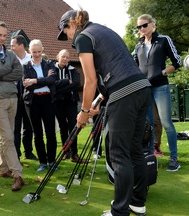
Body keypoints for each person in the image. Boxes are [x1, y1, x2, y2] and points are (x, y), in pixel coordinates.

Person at [57, 9, 151, 216]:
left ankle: (119, 211)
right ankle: (137, 202)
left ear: (71, 24)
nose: (68, 38)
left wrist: (83, 111)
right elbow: (114, 70)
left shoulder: (83, 36)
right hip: (142, 88)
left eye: (66, 33)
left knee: (118, 154)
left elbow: (89, 80)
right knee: (134, 149)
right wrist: (98, 101)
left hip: (125, 93)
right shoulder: (102, 30)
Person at [133, 14, 182, 171]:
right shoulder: (138, 46)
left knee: (166, 123)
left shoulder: (163, 40)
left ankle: (174, 159)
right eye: (139, 27)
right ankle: (150, 159)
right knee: (148, 125)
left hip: (161, 87)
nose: (141, 29)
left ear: (153, 24)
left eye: (144, 25)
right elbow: (133, 67)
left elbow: (177, 62)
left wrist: (162, 73)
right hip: (144, 88)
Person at [0, 21, 24, 191]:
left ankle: (3, 169)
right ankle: (18, 174)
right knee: (9, 137)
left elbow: (19, 72)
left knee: (7, 135)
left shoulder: (10, 54)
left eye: (4, 35)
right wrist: (6, 73)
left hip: (13, 98)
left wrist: (0, 76)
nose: (2, 38)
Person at [23, 39, 58, 172]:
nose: (37, 54)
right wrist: (43, 80)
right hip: (33, 102)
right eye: (34, 52)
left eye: (39, 51)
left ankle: (52, 161)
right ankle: (43, 162)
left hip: (48, 100)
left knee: (51, 133)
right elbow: (26, 83)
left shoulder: (49, 64)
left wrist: (34, 81)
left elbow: (52, 80)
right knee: (37, 133)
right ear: (29, 51)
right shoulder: (26, 66)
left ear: (42, 50)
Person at [10, 35, 38, 161]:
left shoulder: (31, 58)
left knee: (29, 126)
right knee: (15, 127)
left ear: (21, 45)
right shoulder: (10, 58)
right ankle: (16, 154)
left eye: (13, 45)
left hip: (29, 97)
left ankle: (29, 152)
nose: (11, 47)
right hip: (14, 97)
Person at [53, 49, 82, 162]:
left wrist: (59, 87)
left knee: (73, 127)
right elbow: (52, 85)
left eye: (67, 57)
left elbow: (76, 85)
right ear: (58, 57)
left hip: (71, 102)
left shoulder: (73, 70)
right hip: (58, 102)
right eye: (63, 56)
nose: (65, 59)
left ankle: (74, 153)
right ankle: (66, 151)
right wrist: (66, 81)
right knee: (63, 127)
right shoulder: (52, 69)